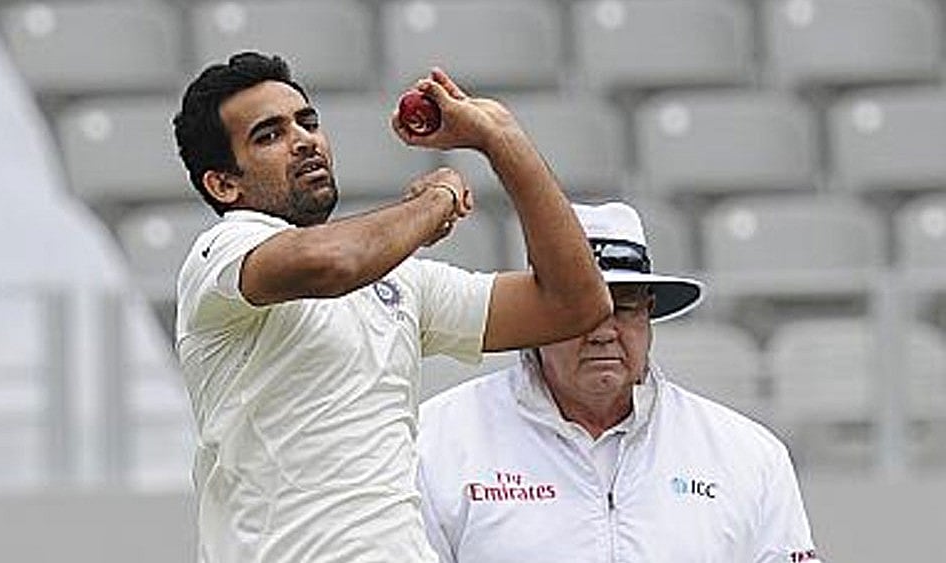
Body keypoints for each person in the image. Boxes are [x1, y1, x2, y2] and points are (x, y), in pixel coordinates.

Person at [171, 51, 610, 563]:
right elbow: (333, 262)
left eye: (307, 122)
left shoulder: (396, 279)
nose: (304, 140)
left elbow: (575, 304)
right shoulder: (220, 252)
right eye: (269, 135)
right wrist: (437, 198)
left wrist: (501, 139)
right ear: (224, 184)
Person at [417, 201, 822, 562]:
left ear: (648, 314)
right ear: (536, 315)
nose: (603, 331)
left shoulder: (749, 454)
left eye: (624, 308)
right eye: (579, 311)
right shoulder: (436, 441)